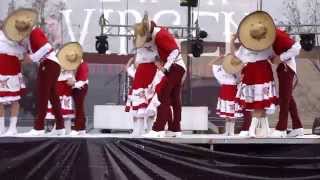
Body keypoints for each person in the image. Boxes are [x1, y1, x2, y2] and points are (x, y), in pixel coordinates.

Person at [132, 13, 186, 138]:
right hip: (177, 67)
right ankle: (175, 128)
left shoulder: (160, 35)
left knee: (162, 94)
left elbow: (175, 51)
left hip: (175, 67)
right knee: (174, 98)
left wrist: (166, 67)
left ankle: (158, 129)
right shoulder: (159, 34)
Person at [226, 11, 278, 138]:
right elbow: (234, 57)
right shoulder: (245, 48)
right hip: (252, 76)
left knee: (261, 105)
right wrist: (232, 41)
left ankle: (257, 130)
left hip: (262, 75)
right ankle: (256, 130)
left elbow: (275, 58)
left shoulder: (267, 47)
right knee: (259, 105)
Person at [270, 28, 303, 137]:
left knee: (284, 99)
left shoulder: (278, 35)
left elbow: (297, 48)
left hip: (287, 67)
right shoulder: (271, 37)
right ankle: (298, 127)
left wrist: (281, 57)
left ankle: (281, 129)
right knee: (288, 98)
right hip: (283, 67)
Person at [125, 41, 161, 136]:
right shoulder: (139, 47)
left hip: (151, 73)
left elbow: (159, 60)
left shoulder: (156, 45)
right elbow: (135, 63)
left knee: (150, 105)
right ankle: (138, 131)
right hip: (141, 75)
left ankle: (150, 131)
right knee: (140, 106)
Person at [0, 15, 27, 136]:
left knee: (15, 100)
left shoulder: (18, 39)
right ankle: (1, 127)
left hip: (13, 72)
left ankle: (12, 127)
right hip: (1, 72)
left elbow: (25, 56)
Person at [209, 56, 239, 136]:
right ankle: (227, 131)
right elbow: (210, 64)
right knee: (226, 113)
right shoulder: (221, 68)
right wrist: (219, 57)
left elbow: (241, 72)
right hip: (224, 91)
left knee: (232, 112)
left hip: (233, 91)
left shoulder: (235, 69)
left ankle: (231, 131)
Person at [46, 69, 75, 135]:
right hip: (58, 87)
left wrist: (69, 74)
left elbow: (71, 82)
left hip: (64, 90)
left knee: (63, 112)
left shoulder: (69, 70)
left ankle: (64, 130)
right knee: (60, 112)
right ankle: (63, 129)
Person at [70, 57, 89, 136]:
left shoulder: (83, 65)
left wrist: (73, 84)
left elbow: (83, 80)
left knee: (79, 108)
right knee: (79, 107)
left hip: (81, 88)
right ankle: (82, 128)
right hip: (75, 88)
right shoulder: (75, 65)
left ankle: (77, 128)